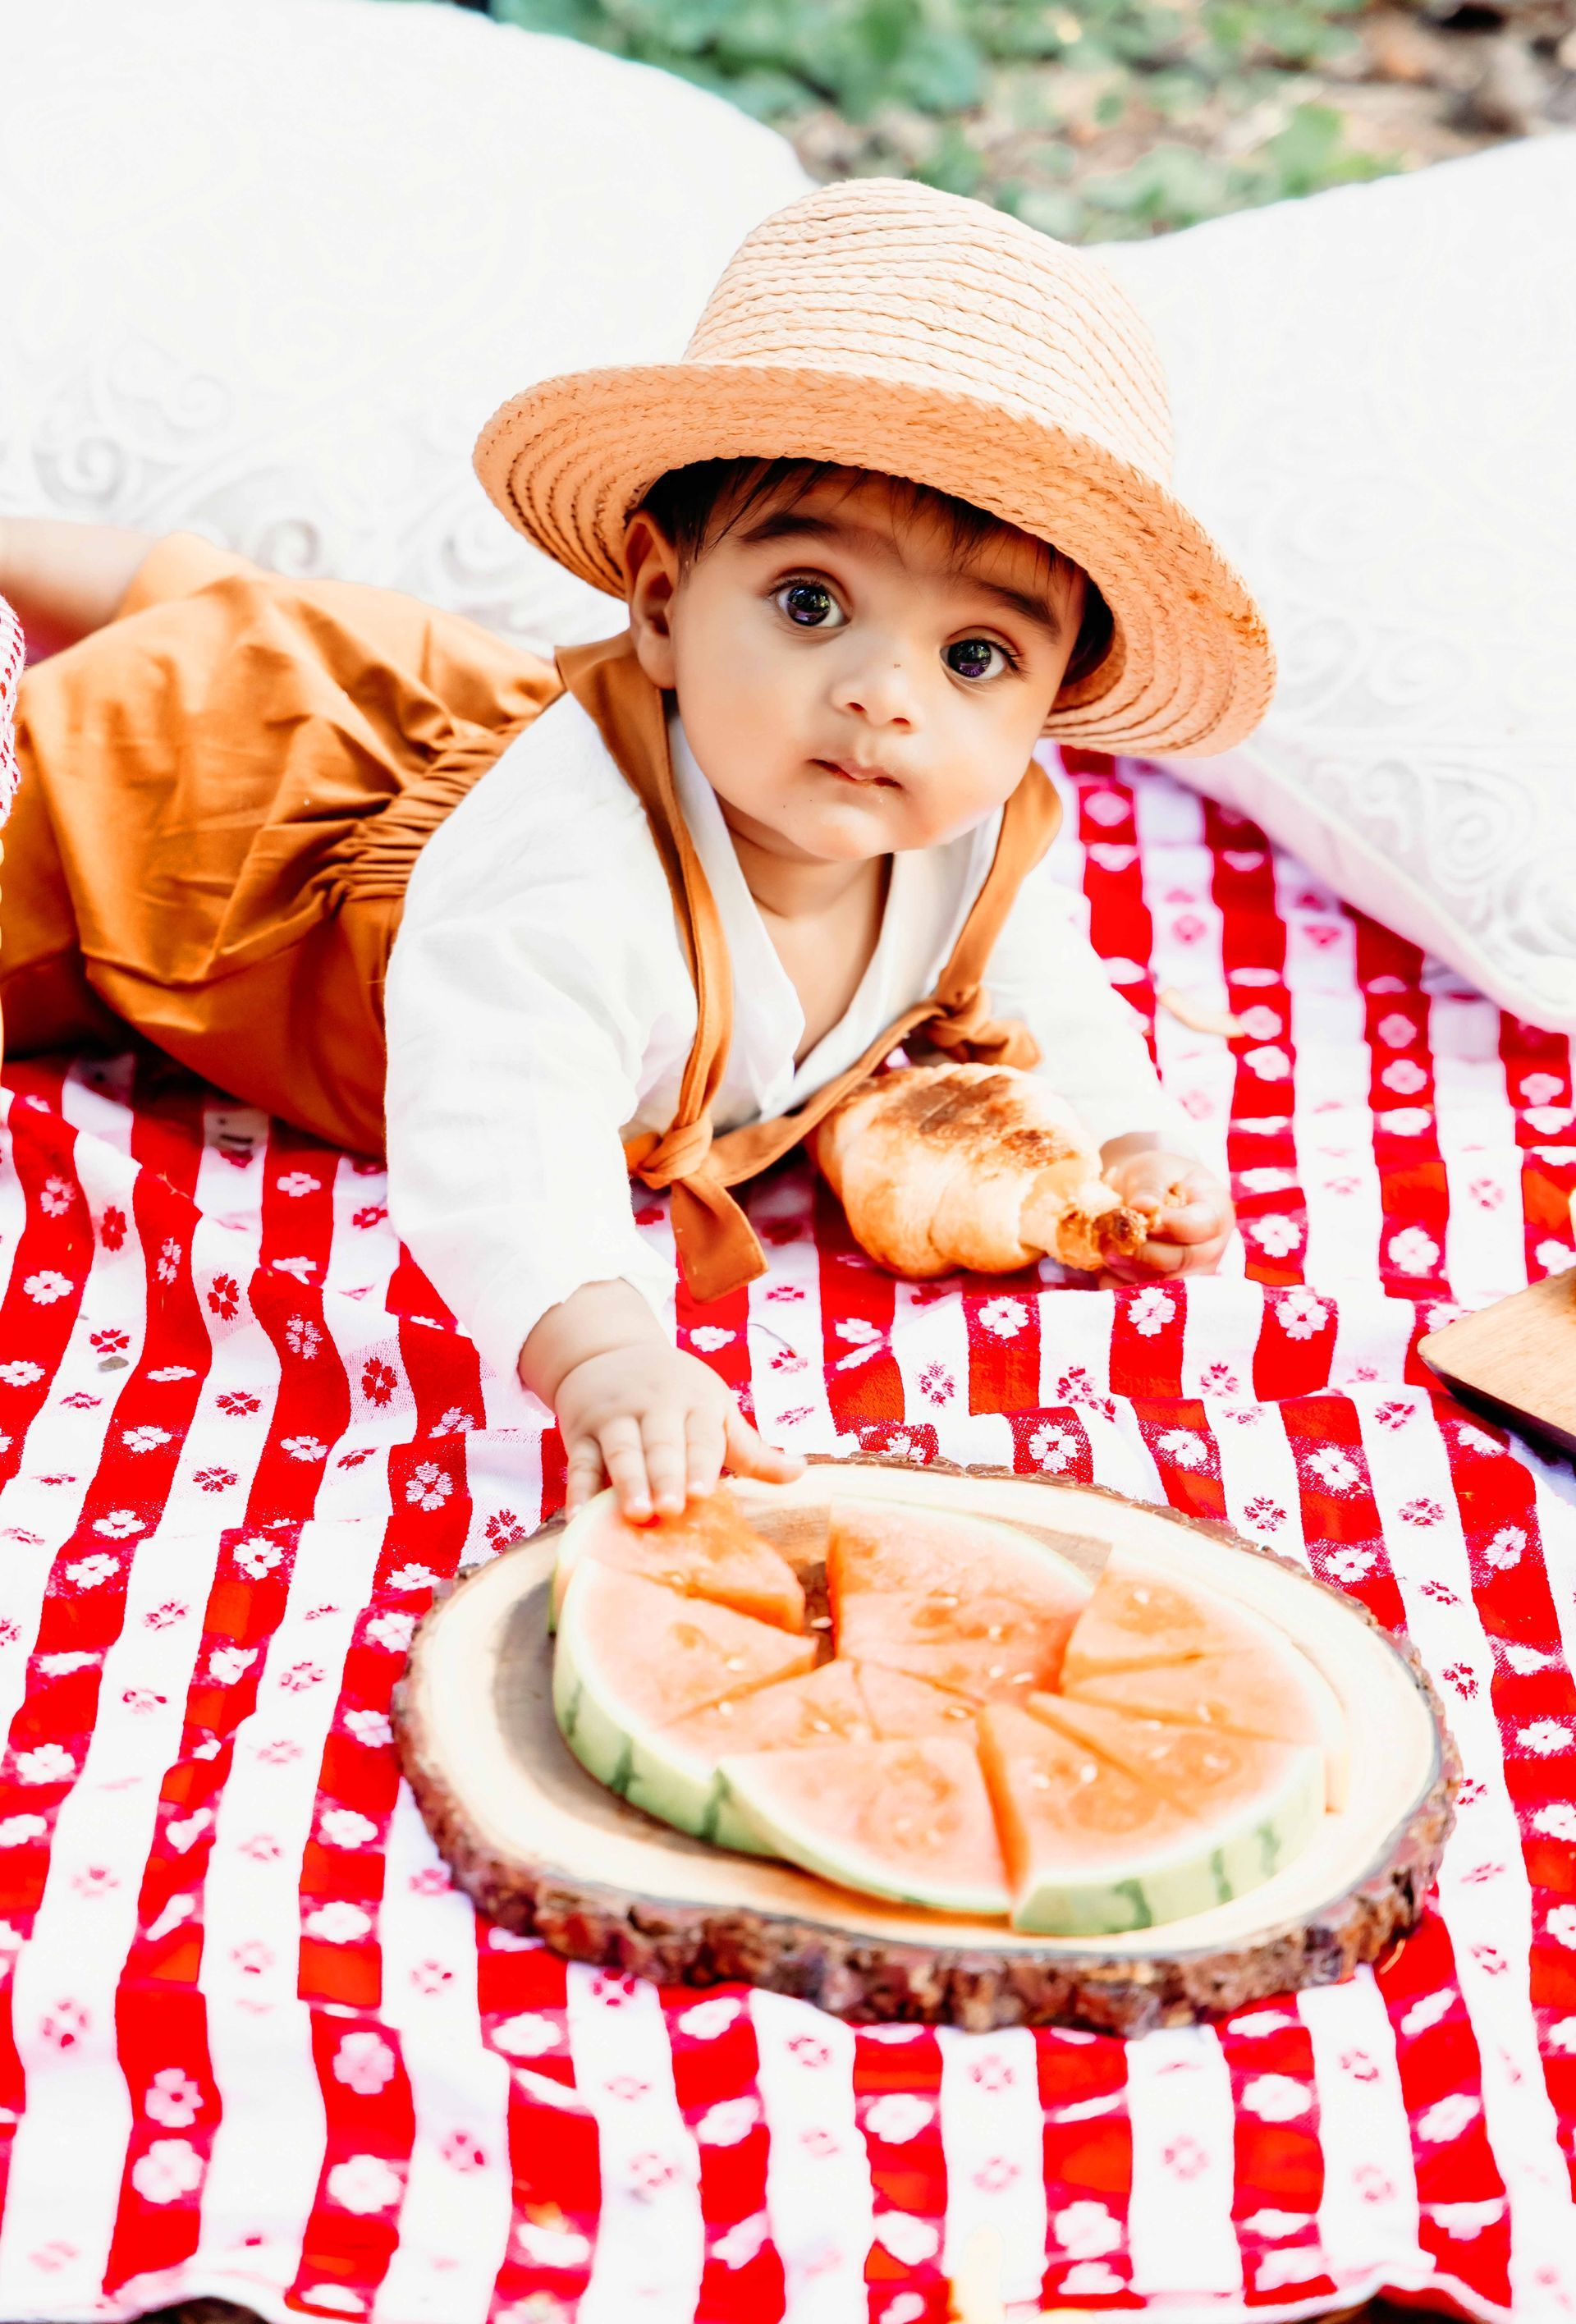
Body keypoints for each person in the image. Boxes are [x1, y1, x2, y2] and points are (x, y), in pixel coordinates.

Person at [0, 179, 1268, 1527]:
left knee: (274, 625)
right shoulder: (567, 868)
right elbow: (505, 1116)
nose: (888, 694)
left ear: (1047, 705)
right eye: (810, 601)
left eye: (975, 657)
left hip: (438, 718)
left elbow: (1043, 989)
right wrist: (605, 1345)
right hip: (241, 860)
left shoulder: (975, 828)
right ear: (660, 606)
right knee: (176, 706)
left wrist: (1130, 1139)